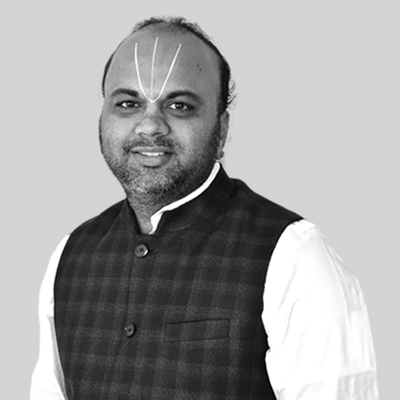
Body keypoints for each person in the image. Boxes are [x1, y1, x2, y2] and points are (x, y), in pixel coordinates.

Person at [30, 16, 379, 400]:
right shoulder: (71, 255)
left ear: (221, 128)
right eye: (128, 103)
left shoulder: (293, 256)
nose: (150, 127)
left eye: (179, 105)